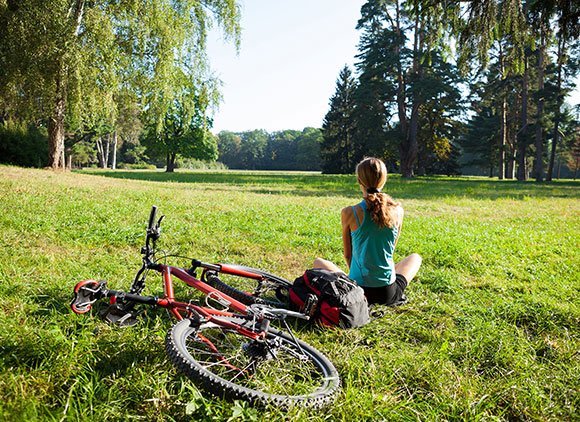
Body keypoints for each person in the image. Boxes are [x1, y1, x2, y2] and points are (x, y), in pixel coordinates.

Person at [313, 157, 422, 306]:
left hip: (358, 292)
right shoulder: (398, 211)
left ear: (359, 180)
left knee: (318, 262)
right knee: (415, 258)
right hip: (388, 293)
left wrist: (357, 278)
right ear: (383, 181)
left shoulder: (349, 212)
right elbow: (390, 251)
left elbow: (348, 255)